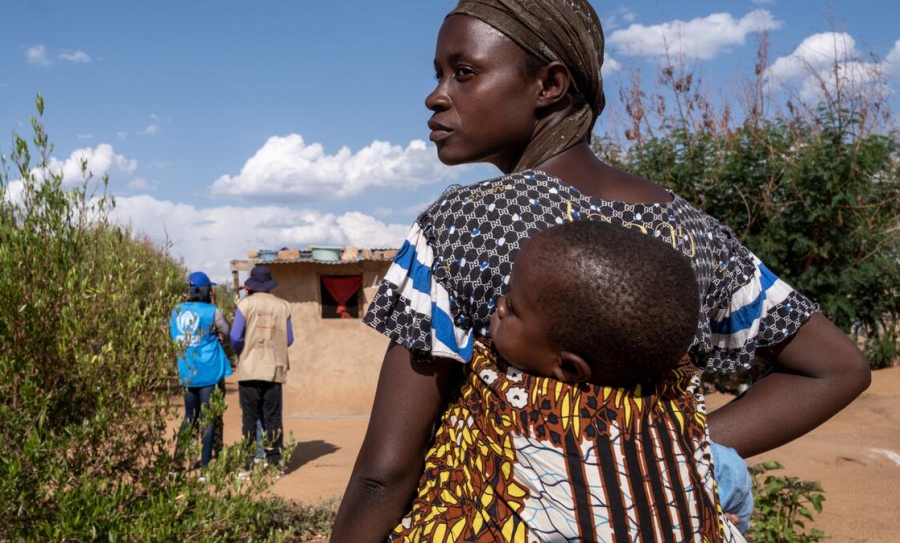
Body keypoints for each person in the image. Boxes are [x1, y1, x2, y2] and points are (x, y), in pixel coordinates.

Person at [329, 1, 871, 541]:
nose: (436, 94)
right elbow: (836, 368)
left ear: (551, 84)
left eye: (463, 72)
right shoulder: (696, 233)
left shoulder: (464, 225)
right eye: (439, 74)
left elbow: (386, 472)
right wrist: (682, 446)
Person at [393, 220, 745, 541]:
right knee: (729, 470)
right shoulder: (676, 393)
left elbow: (386, 473)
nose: (499, 305)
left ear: (570, 369)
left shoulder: (492, 383)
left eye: (513, 309)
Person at [170, 271, 234, 474]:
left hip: (188, 371)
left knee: (190, 417)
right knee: (208, 418)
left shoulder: (176, 311)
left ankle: (178, 463)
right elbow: (228, 332)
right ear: (207, 290)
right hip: (209, 371)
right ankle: (205, 467)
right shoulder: (211, 311)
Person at [230, 265, 294, 469]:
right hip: (274, 368)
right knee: (273, 417)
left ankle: (248, 464)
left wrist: (242, 350)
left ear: (252, 285)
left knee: (249, 418)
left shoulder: (244, 304)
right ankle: (275, 462)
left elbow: (234, 336)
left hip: (250, 368)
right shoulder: (283, 306)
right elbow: (289, 339)